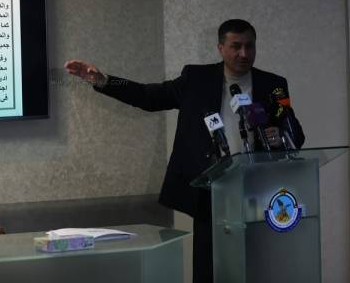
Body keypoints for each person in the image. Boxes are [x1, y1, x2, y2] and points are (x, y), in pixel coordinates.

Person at [64, 19, 305, 283]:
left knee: (258, 268)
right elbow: (149, 96)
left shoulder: (273, 84)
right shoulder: (197, 79)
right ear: (220, 48)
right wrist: (104, 81)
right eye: (236, 46)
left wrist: (280, 136)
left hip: (258, 194)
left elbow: (295, 133)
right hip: (211, 192)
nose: (244, 53)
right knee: (210, 269)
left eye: (249, 46)